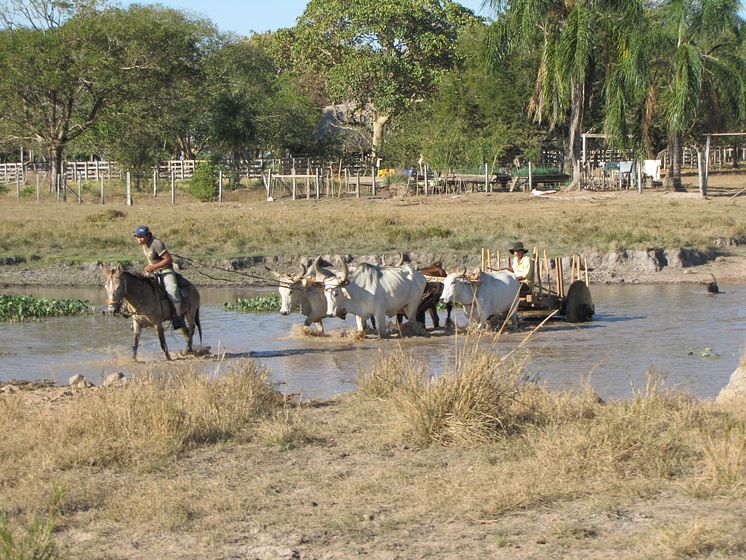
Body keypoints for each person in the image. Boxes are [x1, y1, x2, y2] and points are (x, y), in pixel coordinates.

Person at [133, 225, 185, 329]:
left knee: (172, 291)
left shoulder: (157, 244)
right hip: (154, 271)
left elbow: (168, 259)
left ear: (148, 235)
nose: (139, 239)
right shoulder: (144, 244)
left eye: (141, 237)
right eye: (137, 237)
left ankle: (177, 317)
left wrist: (153, 266)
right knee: (138, 286)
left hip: (165, 270)